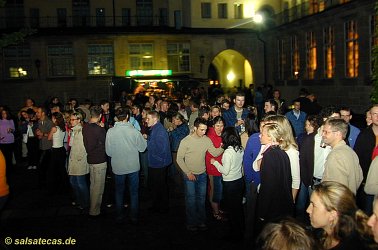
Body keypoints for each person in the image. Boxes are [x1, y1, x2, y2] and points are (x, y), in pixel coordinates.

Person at [177, 118, 223, 232]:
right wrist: (188, 172)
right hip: (189, 175)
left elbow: (215, 152)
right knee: (191, 200)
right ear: (195, 128)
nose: (204, 132)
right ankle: (191, 223)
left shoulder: (206, 139)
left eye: (205, 130)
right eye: (202, 130)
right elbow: (179, 159)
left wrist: (223, 145)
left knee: (201, 200)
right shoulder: (186, 141)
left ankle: (201, 221)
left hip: (202, 174)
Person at [106, 107, 147, 224]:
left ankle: (119, 215)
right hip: (133, 166)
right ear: (128, 117)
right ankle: (134, 216)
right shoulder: (134, 131)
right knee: (134, 192)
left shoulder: (111, 131)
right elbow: (142, 148)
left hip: (118, 167)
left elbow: (108, 152)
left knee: (119, 191)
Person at [307, 181, 375, 250]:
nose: (308, 210)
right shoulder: (321, 233)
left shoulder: (352, 246)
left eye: (313, 205)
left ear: (332, 215)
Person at [255, 123, 294, 230]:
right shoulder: (282, 153)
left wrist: (262, 212)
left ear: (270, 137)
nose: (259, 136)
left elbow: (268, 187)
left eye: (262, 134)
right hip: (283, 205)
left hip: (273, 208)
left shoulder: (269, 155)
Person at [211, 126, 244, 241]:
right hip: (239, 181)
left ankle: (234, 234)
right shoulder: (240, 148)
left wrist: (215, 162)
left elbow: (225, 171)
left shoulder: (228, 152)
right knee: (238, 208)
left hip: (230, 183)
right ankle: (240, 230)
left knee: (231, 210)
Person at [321, 118, 363, 194]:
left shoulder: (336, 155)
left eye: (326, 132)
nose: (322, 134)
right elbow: (359, 178)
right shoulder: (350, 151)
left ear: (338, 134)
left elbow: (336, 189)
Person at [82, 106, 107, 217]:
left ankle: (92, 206)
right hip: (99, 159)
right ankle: (94, 211)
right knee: (98, 186)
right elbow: (106, 141)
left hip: (91, 158)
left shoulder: (85, 126)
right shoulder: (99, 129)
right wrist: (103, 128)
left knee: (93, 185)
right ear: (100, 116)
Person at [145, 110, 172, 213]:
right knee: (160, 185)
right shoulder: (156, 128)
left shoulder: (159, 130)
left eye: (148, 118)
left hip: (159, 163)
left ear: (155, 119)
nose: (146, 120)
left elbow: (161, 149)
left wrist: (148, 142)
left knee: (158, 186)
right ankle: (160, 206)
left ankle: (160, 207)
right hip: (158, 162)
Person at [68, 111, 89, 211]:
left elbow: (83, 148)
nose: (70, 121)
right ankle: (79, 200)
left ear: (79, 120)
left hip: (79, 160)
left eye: (73, 119)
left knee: (80, 182)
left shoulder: (80, 131)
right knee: (73, 181)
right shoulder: (74, 131)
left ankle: (85, 202)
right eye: (70, 119)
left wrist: (79, 159)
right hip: (73, 160)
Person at [205, 116, 225, 221]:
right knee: (214, 190)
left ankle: (217, 208)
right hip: (213, 168)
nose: (220, 128)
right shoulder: (209, 137)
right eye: (217, 125)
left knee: (218, 190)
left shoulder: (222, 134)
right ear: (213, 126)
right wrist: (223, 145)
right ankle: (215, 212)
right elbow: (214, 153)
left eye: (222, 125)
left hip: (220, 167)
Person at [47, 112, 68, 194]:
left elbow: (49, 138)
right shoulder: (63, 127)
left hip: (55, 150)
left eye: (52, 118)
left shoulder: (54, 128)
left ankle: (54, 187)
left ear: (55, 119)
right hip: (61, 149)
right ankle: (64, 186)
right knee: (62, 168)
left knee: (53, 169)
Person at [0, 109, 15, 175]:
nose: (3, 114)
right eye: (2, 113)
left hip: (10, 141)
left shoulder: (10, 121)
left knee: (9, 157)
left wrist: (11, 130)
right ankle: (3, 170)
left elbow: (13, 130)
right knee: (3, 157)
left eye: (5, 113)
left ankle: (9, 170)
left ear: (7, 114)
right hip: (1, 141)